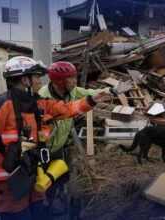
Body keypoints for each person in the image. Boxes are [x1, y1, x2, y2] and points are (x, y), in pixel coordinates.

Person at [0, 56, 111, 220]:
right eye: (37, 77)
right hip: (10, 181)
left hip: (34, 174)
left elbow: (67, 109)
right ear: (25, 80)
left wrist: (92, 100)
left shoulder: (38, 103)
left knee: (40, 213)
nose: (40, 81)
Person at [38, 61, 132, 217]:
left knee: (65, 177)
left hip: (62, 146)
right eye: (71, 78)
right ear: (60, 81)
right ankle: (47, 208)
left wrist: (112, 90)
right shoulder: (43, 97)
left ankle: (66, 204)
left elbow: (90, 92)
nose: (75, 81)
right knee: (46, 185)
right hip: (45, 151)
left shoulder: (73, 91)